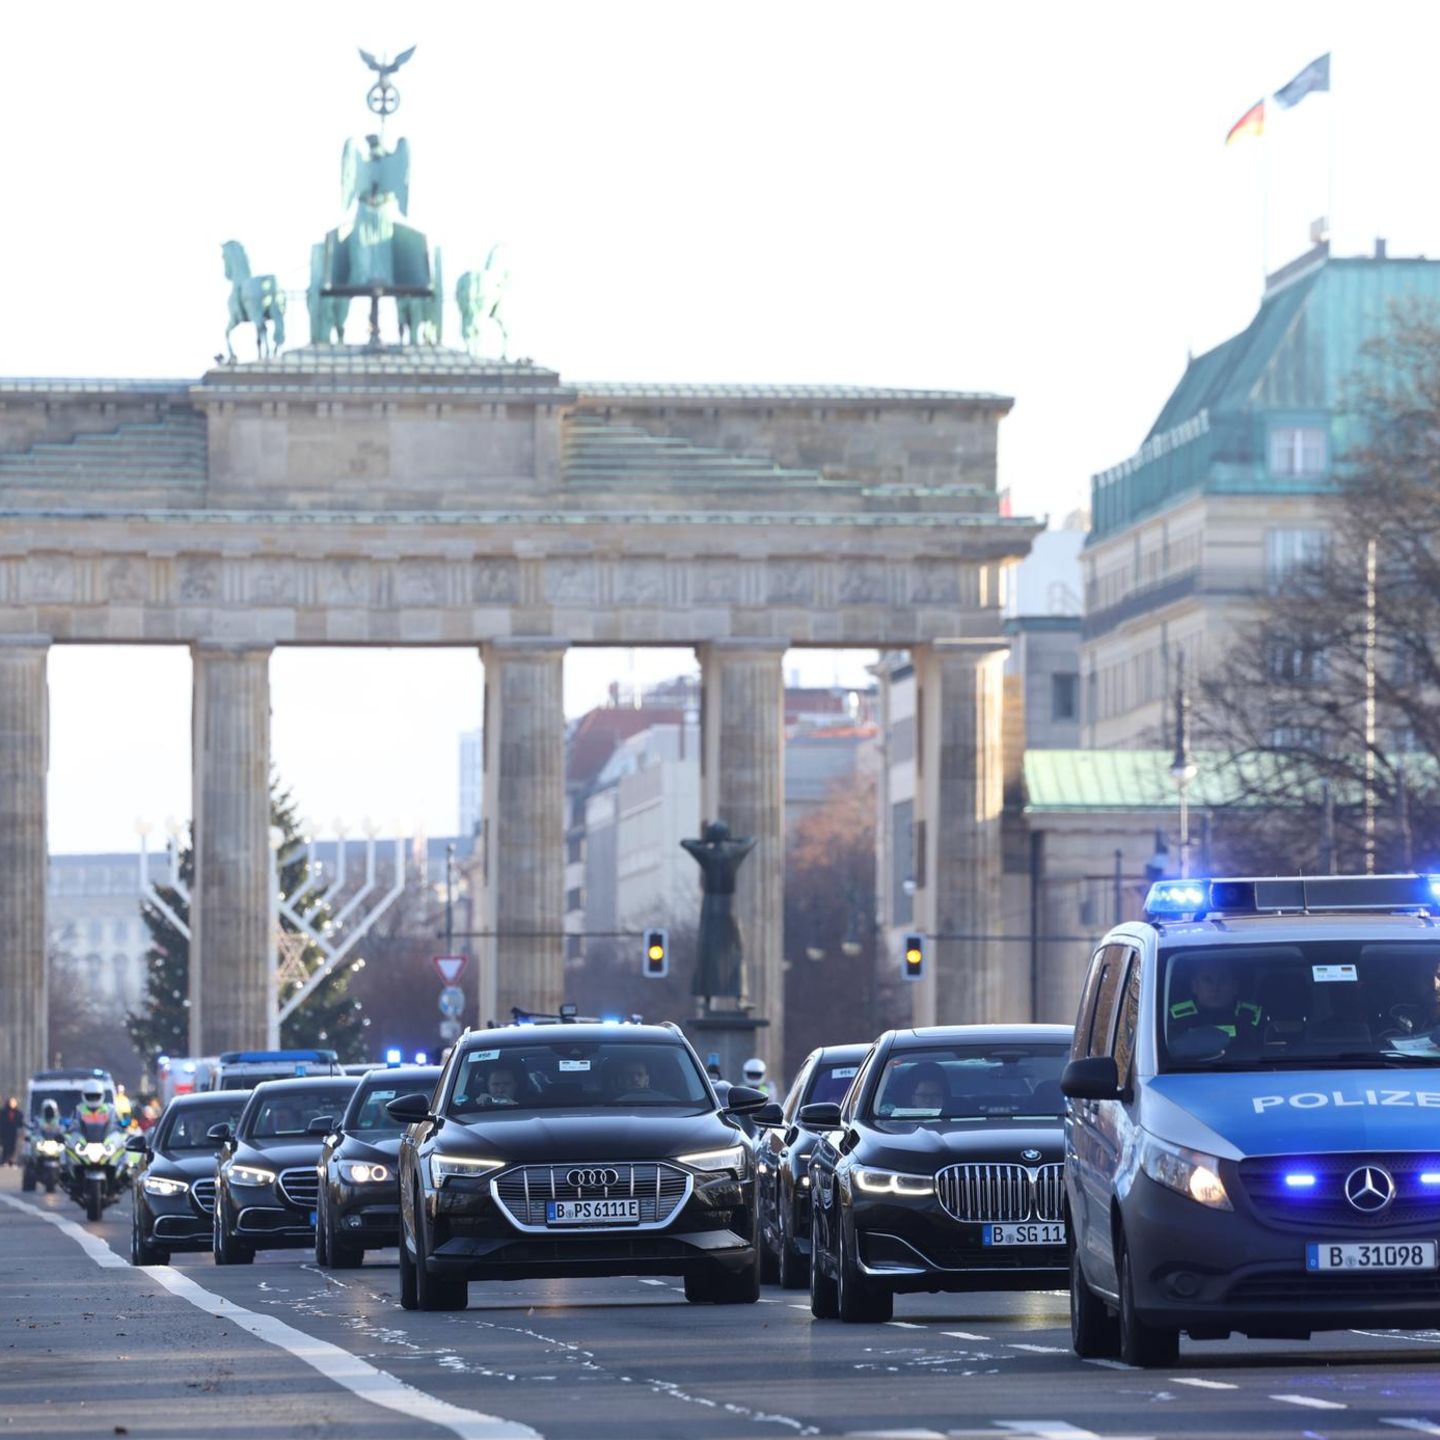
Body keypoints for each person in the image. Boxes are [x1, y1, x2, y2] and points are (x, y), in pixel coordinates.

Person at [1169, 958, 1262, 1041]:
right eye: (1207, 980)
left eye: (1223, 979)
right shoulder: (1174, 1019)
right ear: (1194, 986)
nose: (1215, 987)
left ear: (1235, 987)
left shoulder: (1254, 1017)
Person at [0, 1096, 20, 1165]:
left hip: (13, 1133)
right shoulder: (4, 1111)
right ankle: (4, 1159)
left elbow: (20, 1121)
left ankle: (10, 1160)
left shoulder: (17, 1112)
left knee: (12, 1147)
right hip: (5, 1132)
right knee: (5, 1147)